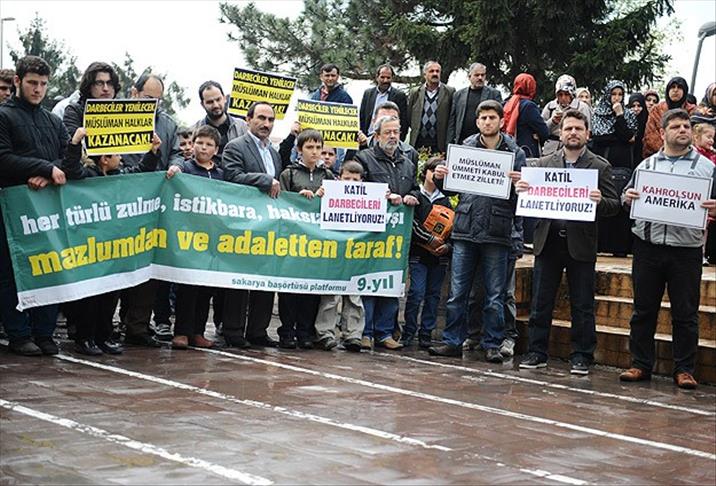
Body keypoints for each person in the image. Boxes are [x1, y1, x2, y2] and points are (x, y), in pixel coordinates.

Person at [517, 109, 619, 374]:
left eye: (578, 129)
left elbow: (614, 206)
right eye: (568, 128)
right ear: (560, 133)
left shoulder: (599, 166)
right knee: (540, 301)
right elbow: (529, 199)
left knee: (583, 304)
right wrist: (522, 191)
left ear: (588, 134)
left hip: (581, 244)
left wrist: (600, 201)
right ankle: (536, 352)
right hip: (548, 241)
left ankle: (582, 355)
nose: (573, 133)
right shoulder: (543, 164)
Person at [620, 109, 716, 389]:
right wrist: (628, 197)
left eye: (686, 126)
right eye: (676, 126)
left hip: (686, 250)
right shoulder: (646, 166)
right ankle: (640, 364)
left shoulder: (707, 168)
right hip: (648, 247)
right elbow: (626, 197)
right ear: (662, 133)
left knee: (685, 313)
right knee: (643, 310)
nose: (683, 130)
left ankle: (684, 369)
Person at [428, 100, 525, 363]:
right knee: (458, 292)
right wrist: (440, 177)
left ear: (502, 121)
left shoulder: (515, 152)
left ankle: (492, 343)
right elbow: (451, 189)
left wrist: (521, 186)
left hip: (498, 229)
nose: (487, 122)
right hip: (466, 228)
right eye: (483, 118)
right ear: (477, 121)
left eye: (492, 117)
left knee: (495, 295)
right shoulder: (465, 148)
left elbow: (522, 199)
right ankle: (452, 341)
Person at [61, 127, 161, 355]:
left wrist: (153, 151)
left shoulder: (118, 176)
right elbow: (71, 169)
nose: (122, 158)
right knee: (90, 297)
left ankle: (103, 337)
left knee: (110, 294)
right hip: (90, 247)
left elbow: (140, 171)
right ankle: (85, 338)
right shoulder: (87, 176)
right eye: (117, 154)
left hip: (112, 248)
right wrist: (75, 143)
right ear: (105, 159)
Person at [0, 55, 68, 356]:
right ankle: (18, 334)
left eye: (42, 83)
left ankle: (44, 333)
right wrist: (43, 167)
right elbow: (3, 158)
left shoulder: (53, 121)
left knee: (49, 267)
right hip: (12, 208)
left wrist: (49, 172)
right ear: (18, 81)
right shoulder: (4, 116)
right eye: (31, 83)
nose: (38, 89)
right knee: (12, 272)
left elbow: (69, 158)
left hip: (47, 210)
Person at [120, 73, 183, 344]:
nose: (153, 104)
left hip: (155, 205)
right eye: (148, 98)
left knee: (148, 268)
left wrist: (176, 165)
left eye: (158, 100)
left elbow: (177, 152)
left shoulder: (168, 124)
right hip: (122, 201)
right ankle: (106, 325)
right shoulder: (115, 117)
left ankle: (138, 326)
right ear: (134, 93)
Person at [221, 101, 283, 349]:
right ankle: (233, 331)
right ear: (248, 119)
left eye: (270, 119)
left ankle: (258, 330)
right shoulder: (235, 147)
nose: (266, 124)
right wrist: (265, 179)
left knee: (265, 278)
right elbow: (232, 176)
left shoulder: (274, 153)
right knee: (240, 280)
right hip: (243, 224)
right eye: (261, 118)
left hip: (268, 225)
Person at [355, 115, 419, 349]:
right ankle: (365, 332)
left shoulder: (408, 163)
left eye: (396, 132)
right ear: (377, 135)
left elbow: (415, 189)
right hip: (370, 234)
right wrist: (382, 195)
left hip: (395, 237)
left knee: (390, 283)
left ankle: (384, 333)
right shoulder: (364, 158)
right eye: (388, 132)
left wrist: (412, 196)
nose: (393, 136)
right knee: (368, 283)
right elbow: (356, 189)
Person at [164, 126, 226, 350]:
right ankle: (181, 332)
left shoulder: (220, 174)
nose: (203, 148)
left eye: (209, 145)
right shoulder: (186, 168)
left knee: (205, 288)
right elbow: (177, 167)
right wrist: (176, 168)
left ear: (216, 150)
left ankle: (198, 332)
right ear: (193, 144)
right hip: (188, 237)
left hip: (211, 239)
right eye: (199, 143)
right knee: (187, 287)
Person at [277, 129, 334, 349]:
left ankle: (305, 332)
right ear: (299, 150)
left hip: (317, 242)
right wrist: (298, 199)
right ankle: (287, 332)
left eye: (318, 147)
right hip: (292, 241)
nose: (315, 152)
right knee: (289, 289)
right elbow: (280, 202)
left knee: (310, 289)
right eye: (310, 147)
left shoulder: (328, 176)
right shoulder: (289, 174)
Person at [313, 161, 366, 352]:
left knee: (354, 294)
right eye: (346, 178)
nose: (350, 183)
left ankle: (353, 334)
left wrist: (386, 196)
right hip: (333, 250)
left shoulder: (369, 198)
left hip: (356, 251)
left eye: (355, 180)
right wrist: (319, 196)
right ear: (339, 178)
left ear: (362, 182)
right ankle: (325, 333)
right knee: (330, 294)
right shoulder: (328, 193)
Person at [401, 156, 452, 348]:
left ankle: (426, 334)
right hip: (418, 254)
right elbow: (411, 223)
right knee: (416, 292)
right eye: (433, 170)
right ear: (425, 173)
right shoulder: (416, 195)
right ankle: (408, 331)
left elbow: (452, 228)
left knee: (433, 296)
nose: (436, 174)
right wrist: (429, 239)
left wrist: (447, 246)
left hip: (439, 257)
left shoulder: (446, 200)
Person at [591, 80, 638, 257]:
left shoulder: (628, 114)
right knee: (602, 203)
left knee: (619, 205)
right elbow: (599, 137)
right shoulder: (598, 113)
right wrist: (620, 135)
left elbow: (630, 137)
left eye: (620, 94)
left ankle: (619, 248)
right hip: (602, 165)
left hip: (622, 167)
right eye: (613, 94)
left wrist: (619, 116)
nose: (617, 98)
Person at [447, 62, 503, 145]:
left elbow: (500, 117)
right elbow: (452, 120)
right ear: (469, 77)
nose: (480, 78)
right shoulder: (458, 95)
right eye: (477, 75)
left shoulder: (494, 94)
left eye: (482, 75)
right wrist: (449, 142)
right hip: (461, 141)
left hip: (484, 142)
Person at [190, 80, 247, 161]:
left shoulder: (242, 127)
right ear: (202, 104)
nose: (215, 105)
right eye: (210, 102)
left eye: (218, 99)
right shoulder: (194, 130)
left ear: (224, 98)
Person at [642, 77, 696, 158]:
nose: (675, 90)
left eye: (679, 87)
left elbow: (696, 135)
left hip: (687, 156)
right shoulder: (657, 110)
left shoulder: (693, 111)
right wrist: (669, 151)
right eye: (672, 87)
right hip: (659, 156)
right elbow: (651, 136)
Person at [408, 61, 455, 154]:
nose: (435, 74)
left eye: (437, 71)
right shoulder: (415, 92)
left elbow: (452, 117)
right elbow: (409, 116)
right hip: (418, 142)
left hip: (439, 143)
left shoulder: (449, 92)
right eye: (431, 71)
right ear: (425, 74)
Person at [63, 61, 120, 136]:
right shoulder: (75, 111)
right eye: (99, 83)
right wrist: (75, 140)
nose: (105, 88)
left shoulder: (124, 111)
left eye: (110, 83)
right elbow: (68, 141)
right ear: (89, 86)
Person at [541, 74, 592, 155]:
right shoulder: (550, 107)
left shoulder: (582, 107)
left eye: (567, 94)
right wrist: (552, 121)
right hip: (552, 149)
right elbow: (541, 129)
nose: (563, 98)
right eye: (560, 94)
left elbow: (588, 130)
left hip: (575, 148)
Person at [501, 72, 549, 159]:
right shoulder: (529, 106)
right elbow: (544, 132)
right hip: (526, 151)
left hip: (507, 150)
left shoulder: (506, 104)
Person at [359, 64, 408, 140]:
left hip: (388, 139)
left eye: (388, 78)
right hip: (368, 138)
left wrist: (399, 140)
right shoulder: (368, 93)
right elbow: (362, 116)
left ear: (392, 78)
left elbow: (404, 121)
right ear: (377, 77)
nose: (385, 80)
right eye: (382, 77)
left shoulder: (399, 96)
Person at [628, 93, 648, 166]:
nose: (636, 109)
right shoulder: (625, 119)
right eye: (633, 106)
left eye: (639, 106)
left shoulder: (648, 119)